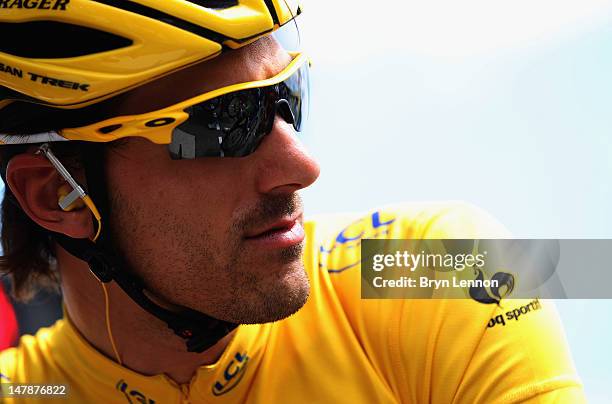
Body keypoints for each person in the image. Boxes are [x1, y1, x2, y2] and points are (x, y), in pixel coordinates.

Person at [0, 1, 585, 403]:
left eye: (288, 97)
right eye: (224, 121)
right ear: (57, 193)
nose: (303, 167)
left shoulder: (445, 262)